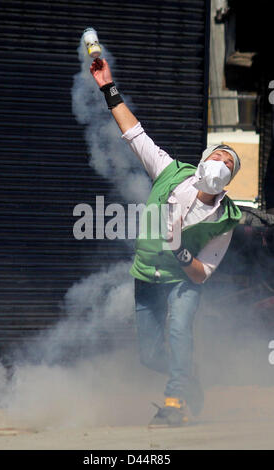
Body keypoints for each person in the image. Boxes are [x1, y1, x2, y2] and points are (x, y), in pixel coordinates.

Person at [90, 57, 242, 427]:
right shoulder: (169, 171)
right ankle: (188, 376)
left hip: (182, 281)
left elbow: (203, 273)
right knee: (150, 354)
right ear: (205, 160)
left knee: (180, 330)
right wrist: (107, 87)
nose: (222, 162)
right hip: (146, 274)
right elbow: (134, 133)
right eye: (219, 154)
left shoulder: (225, 218)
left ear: (228, 180)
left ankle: (175, 401)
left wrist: (179, 249)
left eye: (230, 163)